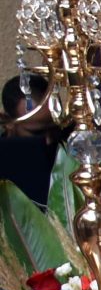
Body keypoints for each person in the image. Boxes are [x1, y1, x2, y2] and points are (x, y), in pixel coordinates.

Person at [1, 75, 62, 204]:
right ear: (8, 122)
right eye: (37, 133)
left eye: (54, 129)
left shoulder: (76, 138)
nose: (49, 140)